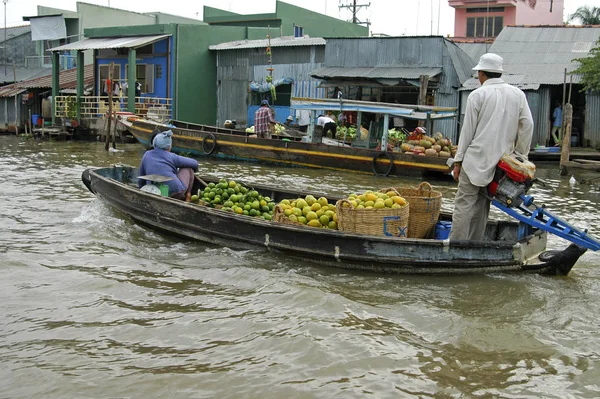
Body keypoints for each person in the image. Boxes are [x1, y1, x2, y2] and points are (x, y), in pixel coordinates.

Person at [449, 53, 534, 241]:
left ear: (481, 74)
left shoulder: (477, 95)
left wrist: (458, 161)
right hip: (501, 164)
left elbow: (467, 133)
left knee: (464, 205)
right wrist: (520, 156)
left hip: (475, 162)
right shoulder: (517, 94)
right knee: (482, 206)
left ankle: (455, 247)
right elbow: (527, 125)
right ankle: (475, 245)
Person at [138, 130, 199, 202]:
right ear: (169, 146)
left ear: (155, 144)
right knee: (188, 167)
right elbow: (195, 163)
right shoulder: (172, 156)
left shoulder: (146, 155)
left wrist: (141, 190)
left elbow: (141, 179)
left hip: (153, 192)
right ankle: (188, 195)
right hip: (176, 192)